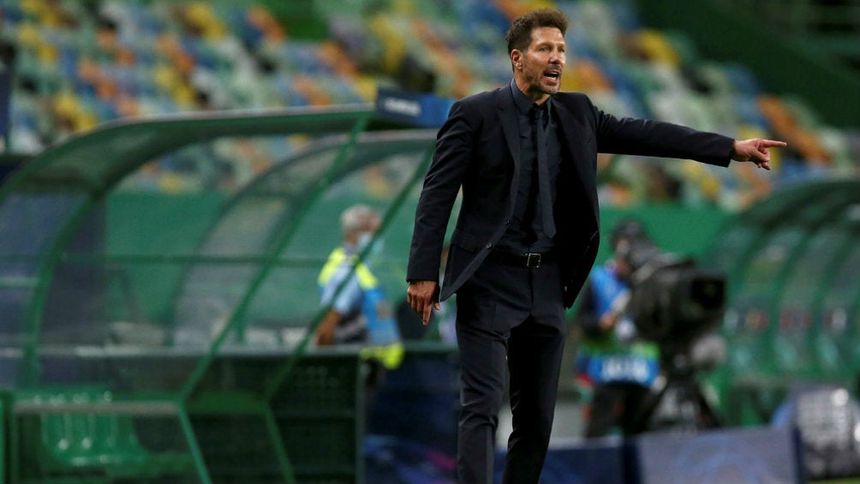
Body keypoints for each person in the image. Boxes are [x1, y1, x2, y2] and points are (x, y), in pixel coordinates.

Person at [405, 8, 785, 483]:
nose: (557, 58)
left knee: (536, 419)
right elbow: (436, 194)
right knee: (481, 405)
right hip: (489, 277)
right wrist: (423, 271)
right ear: (517, 58)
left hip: (547, 281)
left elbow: (647, 135)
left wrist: (728, 148)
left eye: (562, 50)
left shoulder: (577, 113)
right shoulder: (475, 114)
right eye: (545, 49)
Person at [575, 219, 658, 438]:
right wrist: (600, 325)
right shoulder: (599, 279)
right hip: (606, 372)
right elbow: (582, 321)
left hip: (642, 372)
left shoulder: (650, 284)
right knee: (599, 429)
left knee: (639, 432)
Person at [317, 204, 403, 369]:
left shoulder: (365, 267)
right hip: (356, 366)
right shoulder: (346, 269)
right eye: (370, 231)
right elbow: (327, 326)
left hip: (377, 366)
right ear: (351, 233)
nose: (376, 239)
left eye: (378, 232)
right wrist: (327, 365)